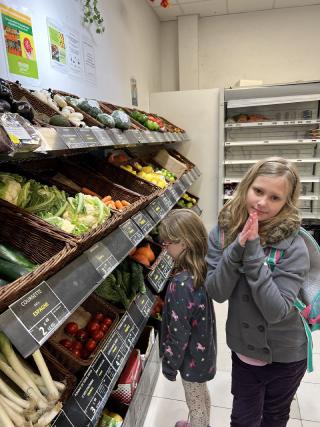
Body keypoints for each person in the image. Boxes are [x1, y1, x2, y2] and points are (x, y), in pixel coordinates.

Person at [205, 157, 310, 427]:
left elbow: (276, 311)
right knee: (243, 419)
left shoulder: (294, 246)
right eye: (258, 191)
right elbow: (217, 291)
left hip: (286, 354)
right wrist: (237, 247)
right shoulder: (221, 233)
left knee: (275, 417)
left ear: (286, 203)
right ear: (246, 186)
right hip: (244, 351)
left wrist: (251, 252)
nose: (262, 202)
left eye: (275, 198)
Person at [159, 209, 217, 427]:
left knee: (194, 401)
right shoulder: (201, 268)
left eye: (166, 244)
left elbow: (179, 332)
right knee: (201, 395)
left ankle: (199, 424)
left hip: (191, 358)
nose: (164, 249)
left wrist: (170, 364)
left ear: (183, 243)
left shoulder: (180, 284)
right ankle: (201, 423)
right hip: (204, 352)